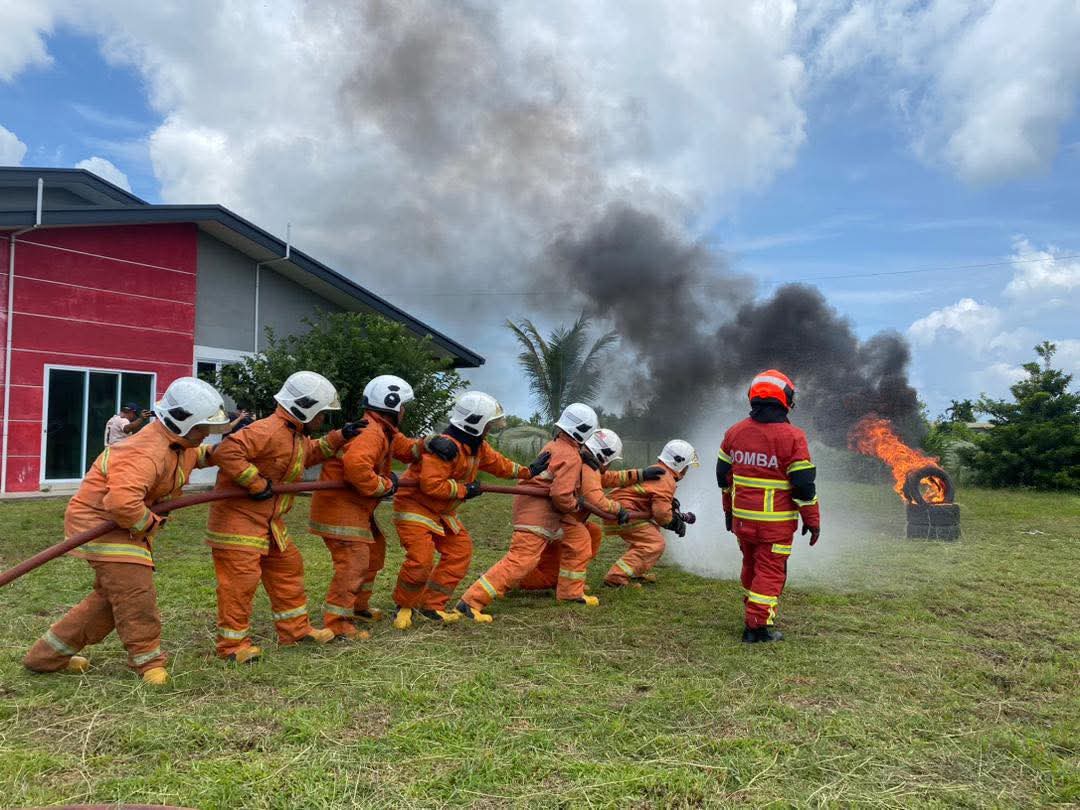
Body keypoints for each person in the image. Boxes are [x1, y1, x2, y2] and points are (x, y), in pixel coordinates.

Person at [24, 377, 230, 685]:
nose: (205, 436)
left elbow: (191, 457)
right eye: (202, 429)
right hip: (101, 525)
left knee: (109, 600)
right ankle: (148, 663)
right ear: (181, 422)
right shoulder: (144, 451)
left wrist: (223, 453)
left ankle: (45, 657)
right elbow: (121, 503)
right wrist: (150, 524)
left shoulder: (175, 443)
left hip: (121, 526)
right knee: (135, 594)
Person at [207, 370, 360, 663]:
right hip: (238, 523)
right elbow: (226, 451)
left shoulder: (293, 435)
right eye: (322, 413)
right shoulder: (267, 430)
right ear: (306, 408)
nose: (322, 420)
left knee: (288, 567)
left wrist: (341, 437)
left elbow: (307, 454)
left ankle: (295, 631)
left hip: (268, 522)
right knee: (240, 583)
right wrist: (254, 481)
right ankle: (232, 647)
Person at [309, 375, 459, 639]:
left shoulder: (382, 430)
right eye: (403, 406)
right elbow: (356, 467)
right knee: (354, 564)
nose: (404, 411)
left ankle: (357, 606)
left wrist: (429, 442)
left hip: (356, 509)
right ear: (394, 406)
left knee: (374, 553)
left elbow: (404, 448)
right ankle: (338, 622)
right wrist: (385, 486)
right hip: (341, 510)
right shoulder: (371, 433)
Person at [389, 391, 550, 629]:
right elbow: (432, 485)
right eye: (488, 426)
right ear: (474, 424)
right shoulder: (445, 449)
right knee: (420, 560)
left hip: (442, 513)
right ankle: (403, 605)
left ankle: (432, 606)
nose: (489, 431)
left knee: (459, 552)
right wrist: (466, 490)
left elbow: (499, 464)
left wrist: (529, 471)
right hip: (416, 508)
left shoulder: (476, 447)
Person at [456, 402, 599, 622]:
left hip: (548, 513)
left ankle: (571, 593)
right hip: (539, 515)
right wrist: (575, 505)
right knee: (522, 561)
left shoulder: (557, 446)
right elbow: (561, 496)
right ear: (584, 432)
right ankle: (471, 602)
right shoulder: (570, 456)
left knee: (580, 540)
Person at [716, 369, 820, 643]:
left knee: (750, 565)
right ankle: (757, 627)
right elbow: (804, 487)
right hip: (775, 526)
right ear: (785, 399)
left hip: (742, 521)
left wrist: (728, 511)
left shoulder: (734, 433)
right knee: (770, 571)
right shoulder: (793, 438)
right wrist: (812, 520)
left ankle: (753, 611)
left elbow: (723, 478)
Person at [518, 428, 663, 591]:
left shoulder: (584, 463)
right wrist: (618, 509)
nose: (609, 466)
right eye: (610, 462)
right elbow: (595, 499)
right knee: (550, 573)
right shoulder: (586, 466)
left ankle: (563, 578)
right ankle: (517, 579)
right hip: (557, 526)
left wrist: (640, 474)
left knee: (592, 532)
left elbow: (609, 478)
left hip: (561, 524)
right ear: (604, 457)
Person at [602, 439, 698, 587]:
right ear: (679, 463)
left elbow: (655, 499)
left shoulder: (660, 471)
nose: (687, 470)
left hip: (621, 510)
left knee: (651, 535)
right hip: (624, 513)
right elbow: (661, 514)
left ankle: (634, 572)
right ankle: (616, 577)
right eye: (687, 466)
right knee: (654, 543)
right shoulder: (666, 479)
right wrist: (673, 523)